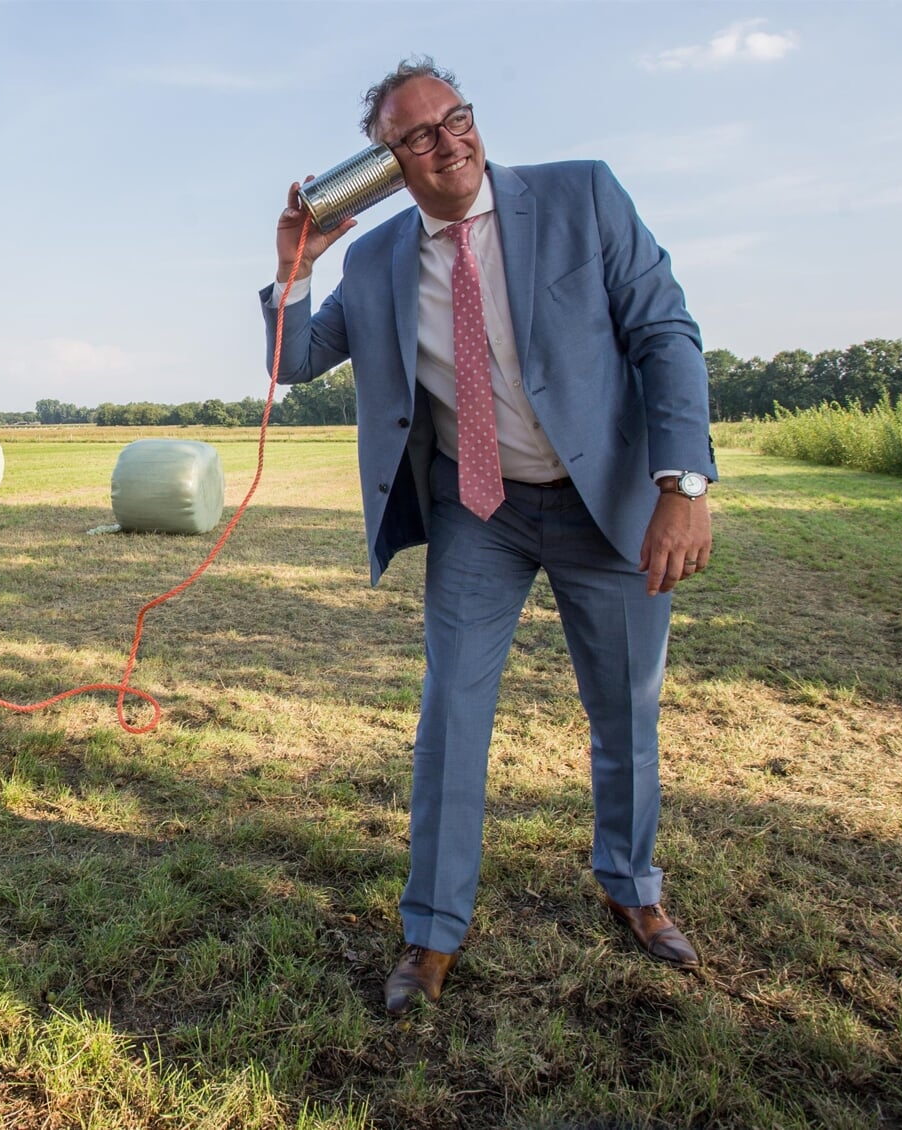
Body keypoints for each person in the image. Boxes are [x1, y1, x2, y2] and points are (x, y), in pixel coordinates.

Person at [260, 58, 716, 1012]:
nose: (448, 141)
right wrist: (291, 271)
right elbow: (296, 360)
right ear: (387, 161)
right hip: (479, 509)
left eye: (455, 117)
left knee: (625, 709)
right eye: (417, 135)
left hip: (605, 504)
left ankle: (632, 888)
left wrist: (683, 481)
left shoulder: (580, 194)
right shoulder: (377, 258)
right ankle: (431, 932)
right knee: (451, 718)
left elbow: (664, 331)